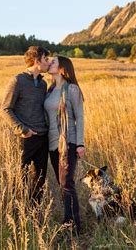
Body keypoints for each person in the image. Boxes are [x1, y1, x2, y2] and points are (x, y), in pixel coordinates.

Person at [1, 46, 51, 205]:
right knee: (19, 177)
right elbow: (5, 109)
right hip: (25, 139)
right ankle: (17, 213)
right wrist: (23, 129)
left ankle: (36, 212)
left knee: (40, 178)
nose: (48, 62)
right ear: (37, 61)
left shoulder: (43, 84)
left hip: (43, 138)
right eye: (46, 59)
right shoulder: (18, 81)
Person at [44, 55, 85, 234]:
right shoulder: (51, 89)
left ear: (62, 67)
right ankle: (68, 220)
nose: (49, 63)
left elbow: (80, 118)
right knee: (62, 184)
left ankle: (74, 225)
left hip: (67, 142)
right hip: (52, 144)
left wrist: (80, 144)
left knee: (67, 183)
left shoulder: (72, 89)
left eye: (53, 61)